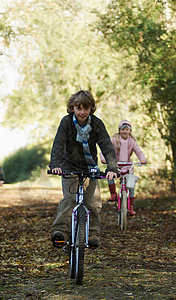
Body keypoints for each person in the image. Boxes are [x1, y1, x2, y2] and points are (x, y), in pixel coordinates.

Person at [49, 89, 118, 248]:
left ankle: (92, 232)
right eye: (78, 108)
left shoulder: (96, 123)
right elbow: (59, 144)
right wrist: (56, 165)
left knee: (93, 202)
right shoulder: (66, 122)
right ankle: (61, 232)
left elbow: (106, 146)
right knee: (70, 200)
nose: (82, 112)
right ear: (72, 108)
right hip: (69, 168)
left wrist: (112, 167)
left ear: (91, 109)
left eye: (85, 109)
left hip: (90, 168)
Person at [100, 119, 147, 216]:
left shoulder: (132, 141)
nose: (125, 131)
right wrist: (104, 158)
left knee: (131, 185)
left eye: (127, 129)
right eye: (122, 129)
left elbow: (138, 151)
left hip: (128, 166)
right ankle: (113, 194)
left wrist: (142, 159)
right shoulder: (114, 140)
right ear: (119, 130)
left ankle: (131, 207)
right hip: (115, 165)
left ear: (130, 131)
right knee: (109, 175)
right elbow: (104, 149)